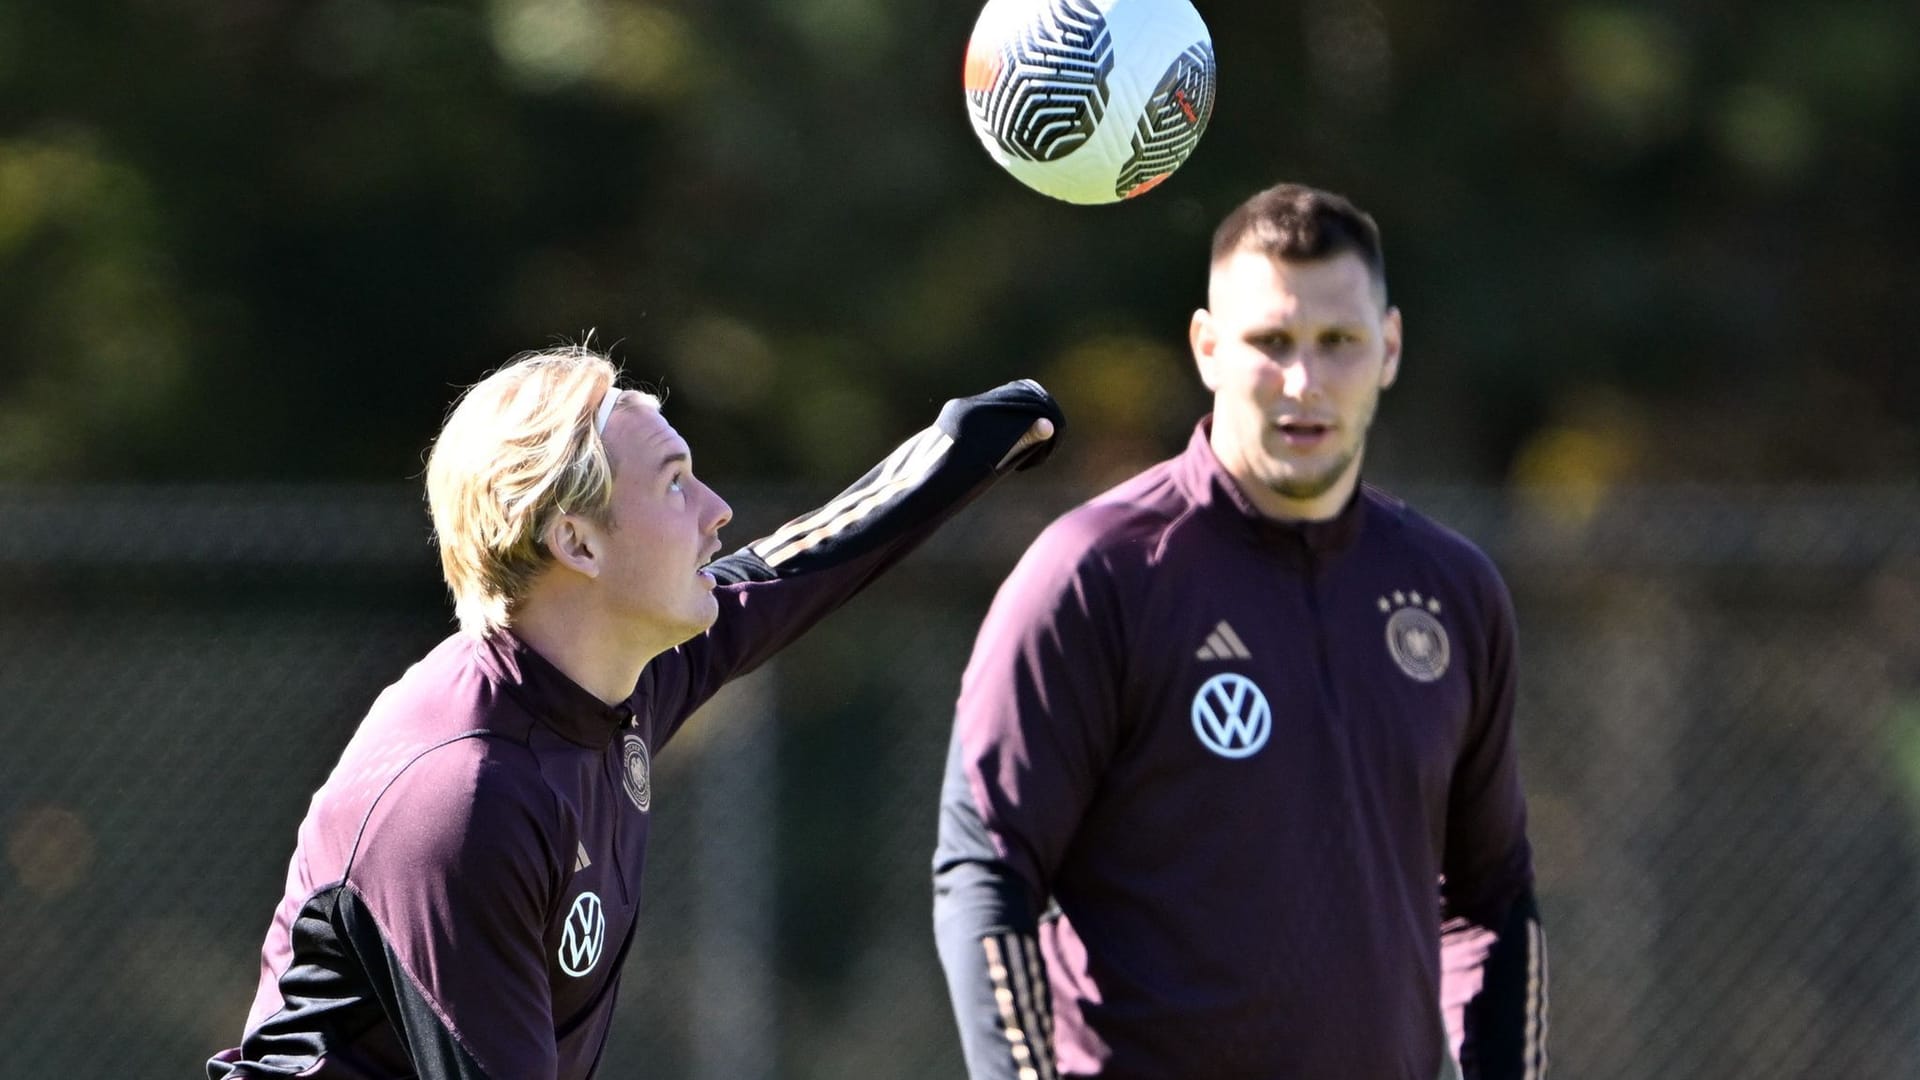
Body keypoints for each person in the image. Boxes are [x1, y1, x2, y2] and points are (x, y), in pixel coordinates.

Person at [210, 344, 1061, 1079]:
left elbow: (792, 570)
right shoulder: (464, 796)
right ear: (577, 543)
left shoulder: (613, 673)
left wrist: (959, 451)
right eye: (676, 484)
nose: (717, 511)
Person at [933, 183, 1547, 1080]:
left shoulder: (1451, 591)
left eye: (1338, 342)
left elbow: (1491, 900)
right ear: (1208, 347)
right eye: (1271, 342)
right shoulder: (1095, 574)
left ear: (1390, 349)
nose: (1304, 381)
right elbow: (986, 875)